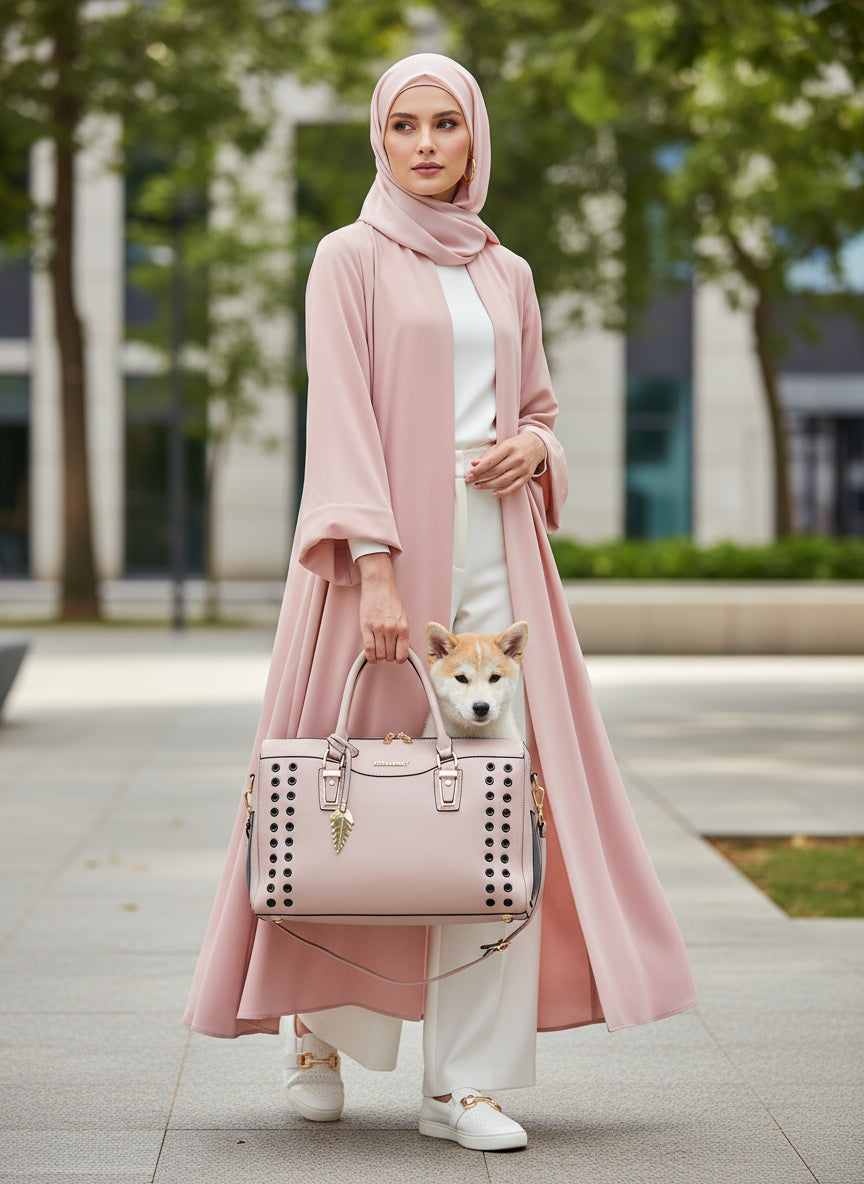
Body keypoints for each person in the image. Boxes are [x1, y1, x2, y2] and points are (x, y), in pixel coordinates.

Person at [183, 53, 698, 1152]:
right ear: (379, 138)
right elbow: (341, 416)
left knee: (491, 818)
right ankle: (318, 1030)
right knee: (350, 804)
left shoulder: (507, 271)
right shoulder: (348, 257)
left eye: (446, 124)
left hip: (499, 569)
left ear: (474, 138)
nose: (426, 144)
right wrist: (373, 565)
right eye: (405, 124)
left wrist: (537, 448)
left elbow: (541, 407)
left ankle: (464, 1084)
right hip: (380, 569)